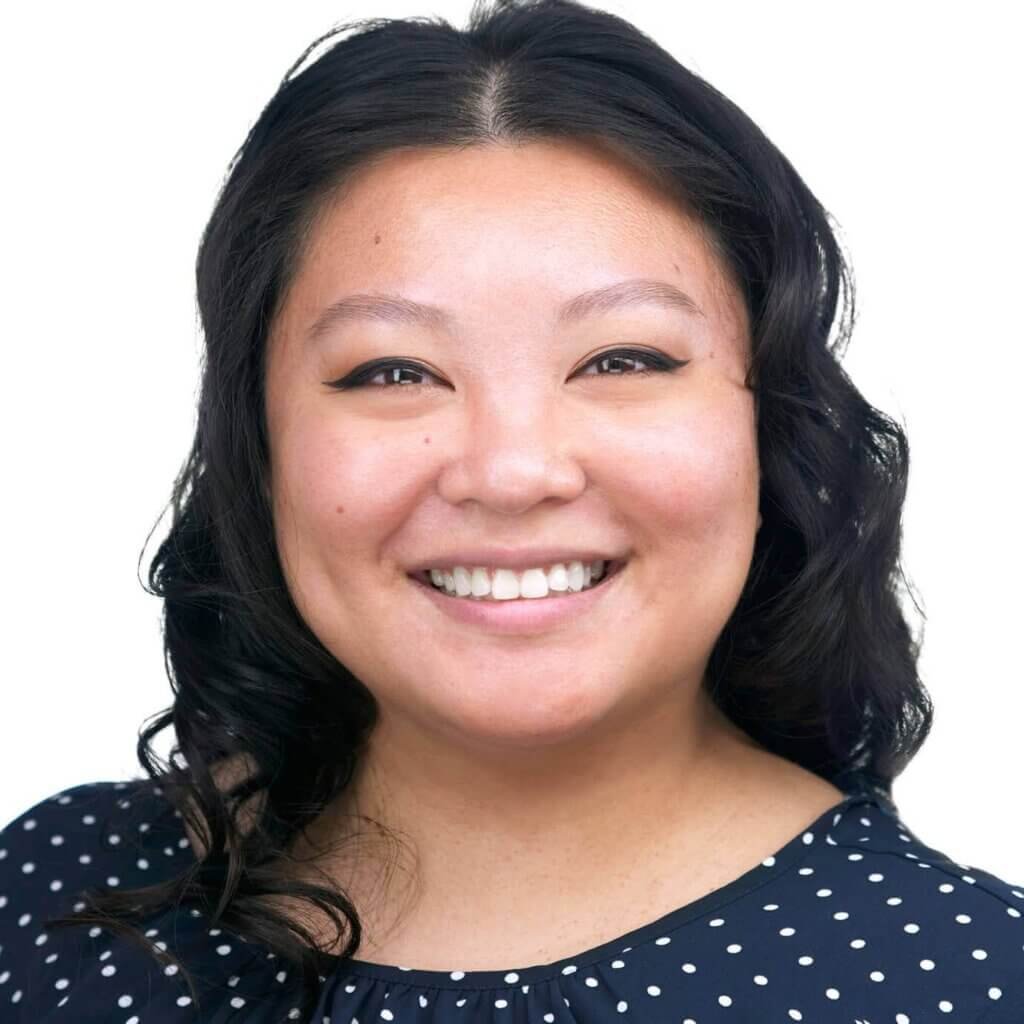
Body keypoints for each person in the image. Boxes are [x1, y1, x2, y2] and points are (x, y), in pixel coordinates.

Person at [1, 0, 1021, 1021]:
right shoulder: (52, 892)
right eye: (392, 369)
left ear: (772, 422)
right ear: (257, 447)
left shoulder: (971, 978)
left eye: (623, 359)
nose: (511, 469)